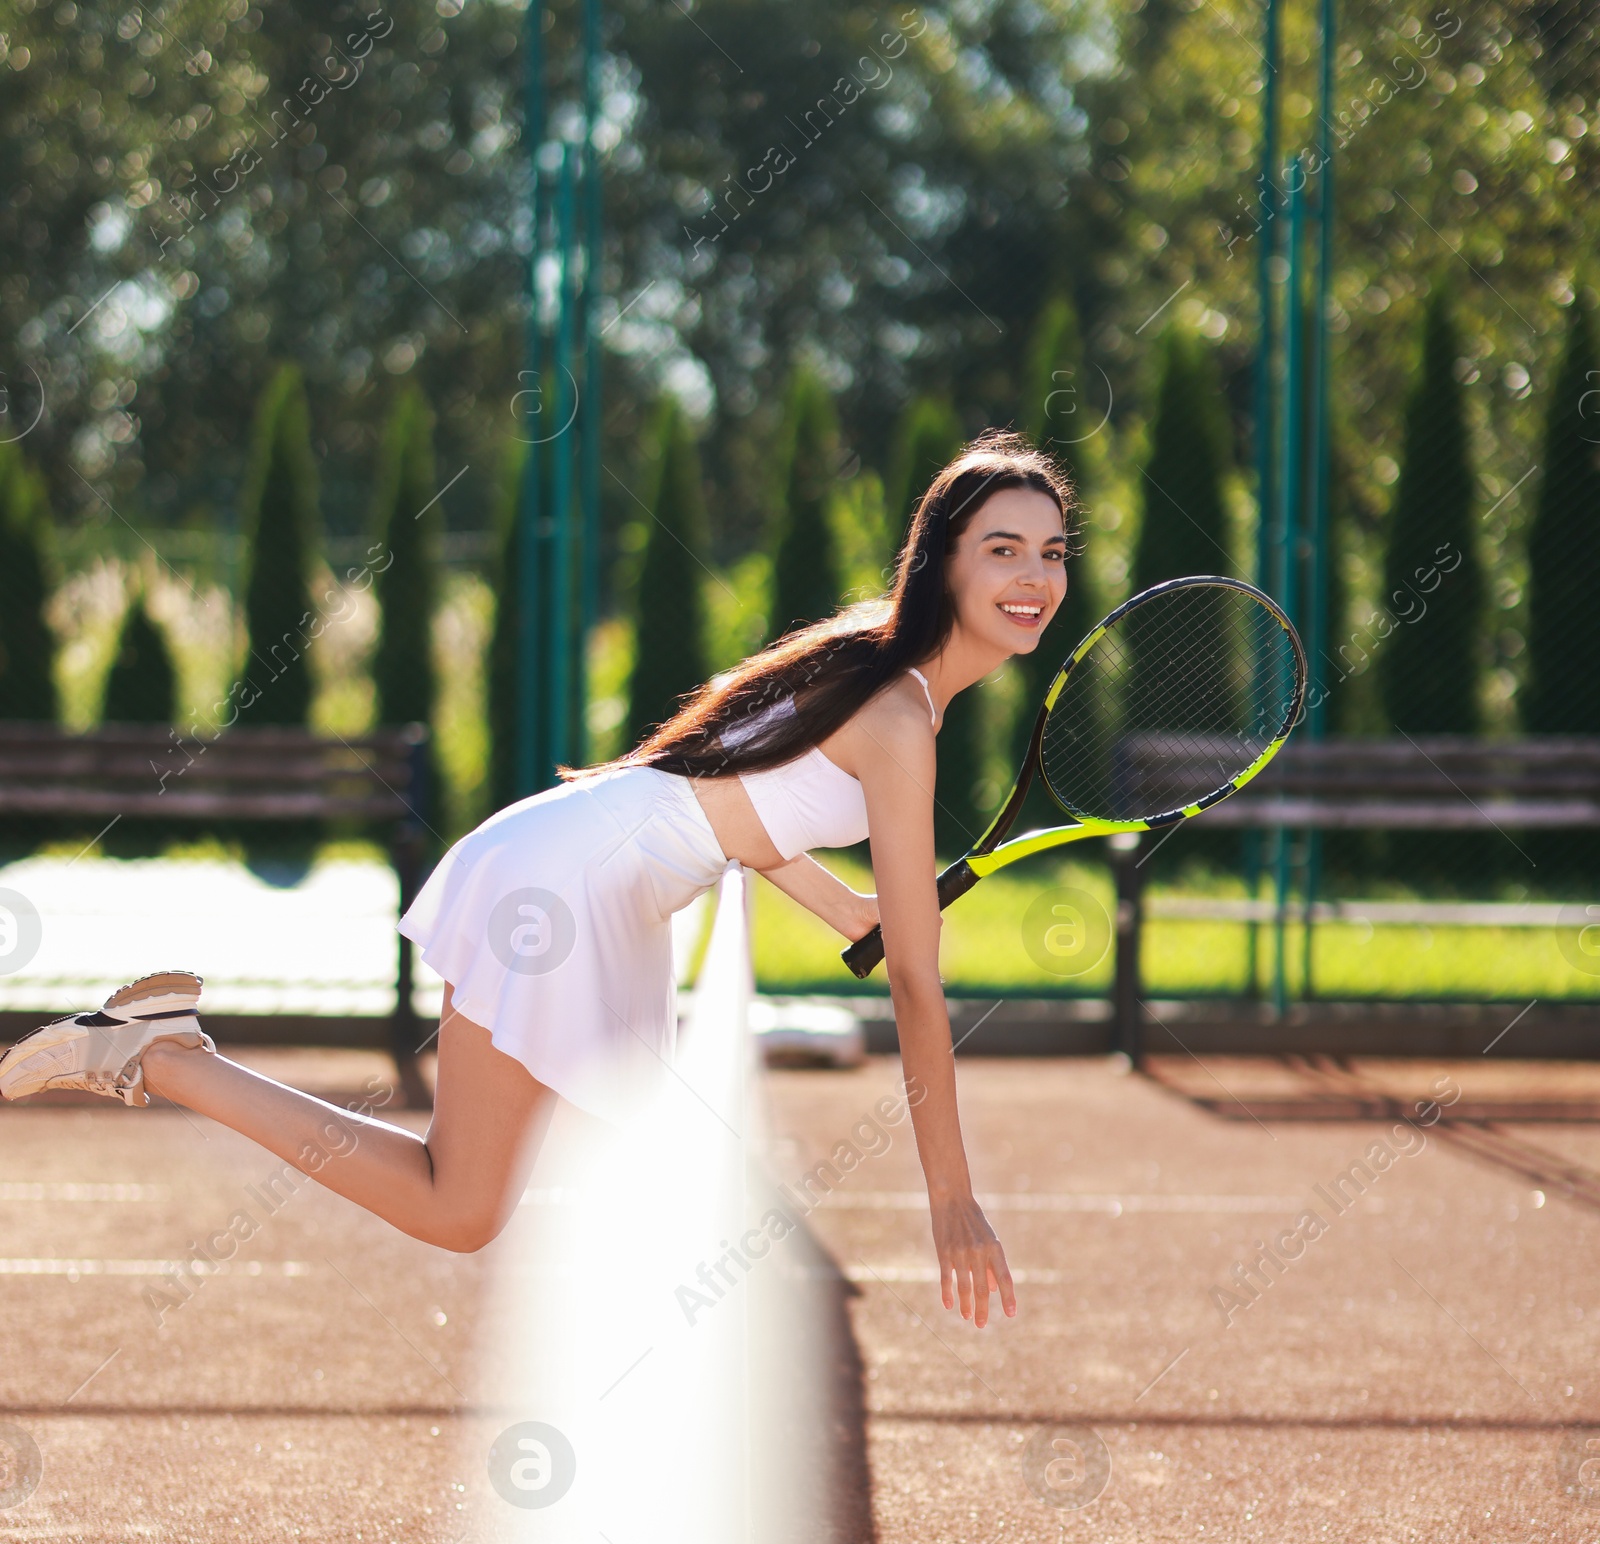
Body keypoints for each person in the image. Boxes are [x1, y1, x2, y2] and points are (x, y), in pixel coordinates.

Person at [1, 433, 1070, 1328]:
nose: (1033, 576)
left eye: (1052, 552)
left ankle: (169, 1052)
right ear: (941, 563)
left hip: (583, 867)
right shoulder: (898, 716)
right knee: (474, 1205)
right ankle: (169, 1059)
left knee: (539, 1188)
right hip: (568, 888)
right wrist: (953, 1198)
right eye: (1003, 549)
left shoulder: (875, 671)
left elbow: (729, 797)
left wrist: (844, 906)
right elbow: (918, 993)